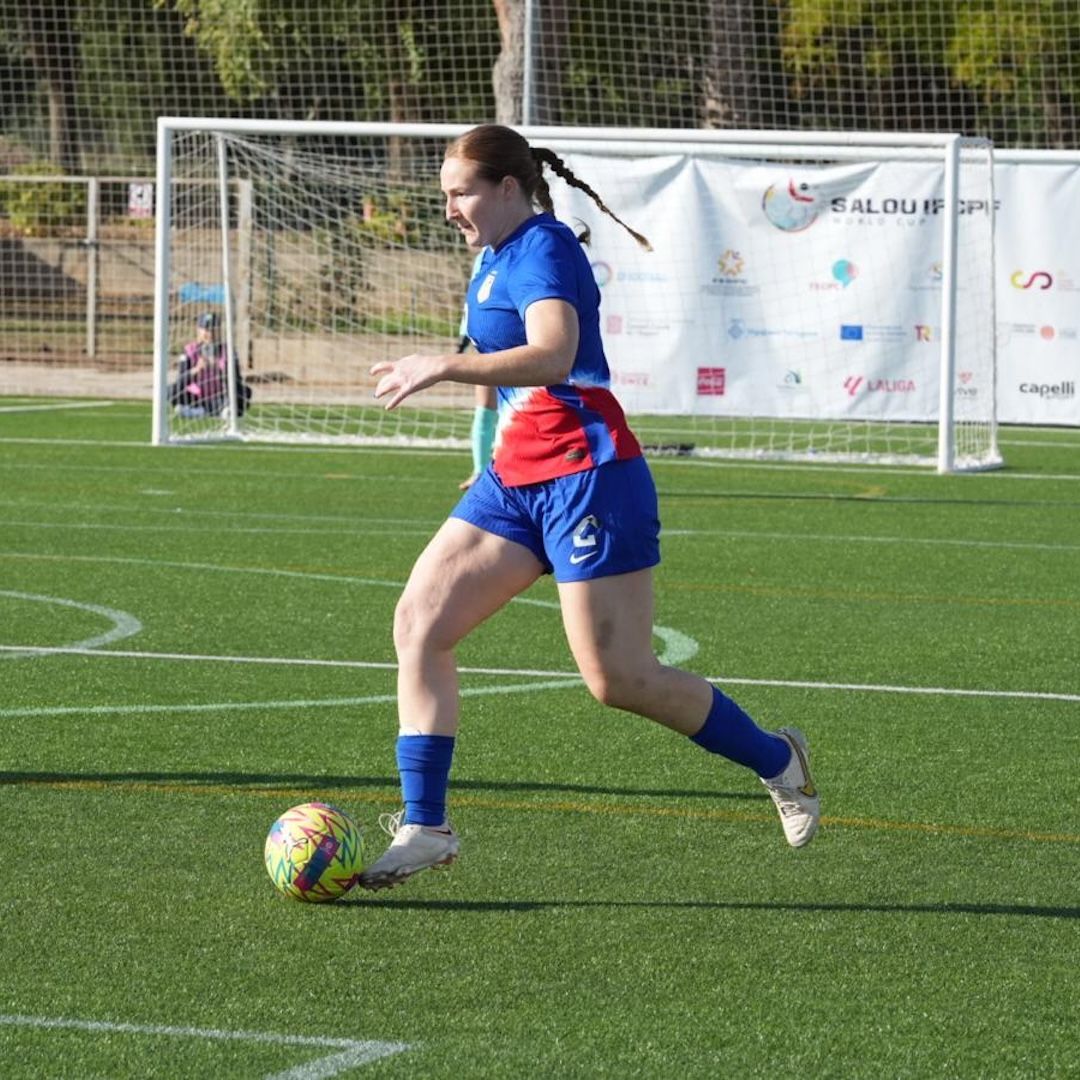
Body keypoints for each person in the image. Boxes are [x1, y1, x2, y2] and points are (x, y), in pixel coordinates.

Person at [359, 124, 820, 891]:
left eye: (460, 192)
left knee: (619, 679)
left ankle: (779, 759)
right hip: (515, 481)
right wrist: (484, 457)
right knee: (419, 624)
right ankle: (425, 827)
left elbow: (554, 353)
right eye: (443, 194)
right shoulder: (491, 256)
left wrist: (441, 363)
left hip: (589, 474)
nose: (448, 209)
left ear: (509, 187)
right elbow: (507, 381)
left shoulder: (542, 246)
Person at [457, 252, 498, 490]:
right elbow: (472, 301)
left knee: (517, 408)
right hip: (487, 344)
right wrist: (464, 336)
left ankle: (503, 468)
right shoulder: (483, 256)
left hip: (518, 345)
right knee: (485, 406)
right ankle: (480, 471)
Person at [168, 311, 251, 419]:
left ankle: (205, 411)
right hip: (195, 396)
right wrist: (196, 370)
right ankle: (208, 411)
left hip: (219, 395)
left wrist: (219, 368)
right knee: (172, 390)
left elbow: (237, 380)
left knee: (244, 392)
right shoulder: (189, 350)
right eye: (206, 329)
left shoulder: (228, 351)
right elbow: (181, 379)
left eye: (214, 329)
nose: (210, 333)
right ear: (199, 330)